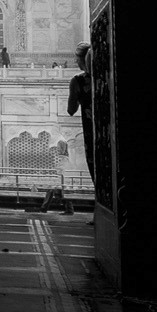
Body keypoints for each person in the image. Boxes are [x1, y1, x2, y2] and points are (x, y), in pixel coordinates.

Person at [66, 43, 96, 203]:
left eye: (77, 59)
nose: (76, 63)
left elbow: (71, 109)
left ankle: (100, 211)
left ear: (82, 59)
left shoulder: (78, 80)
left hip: (92, 130)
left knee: (95, 166)